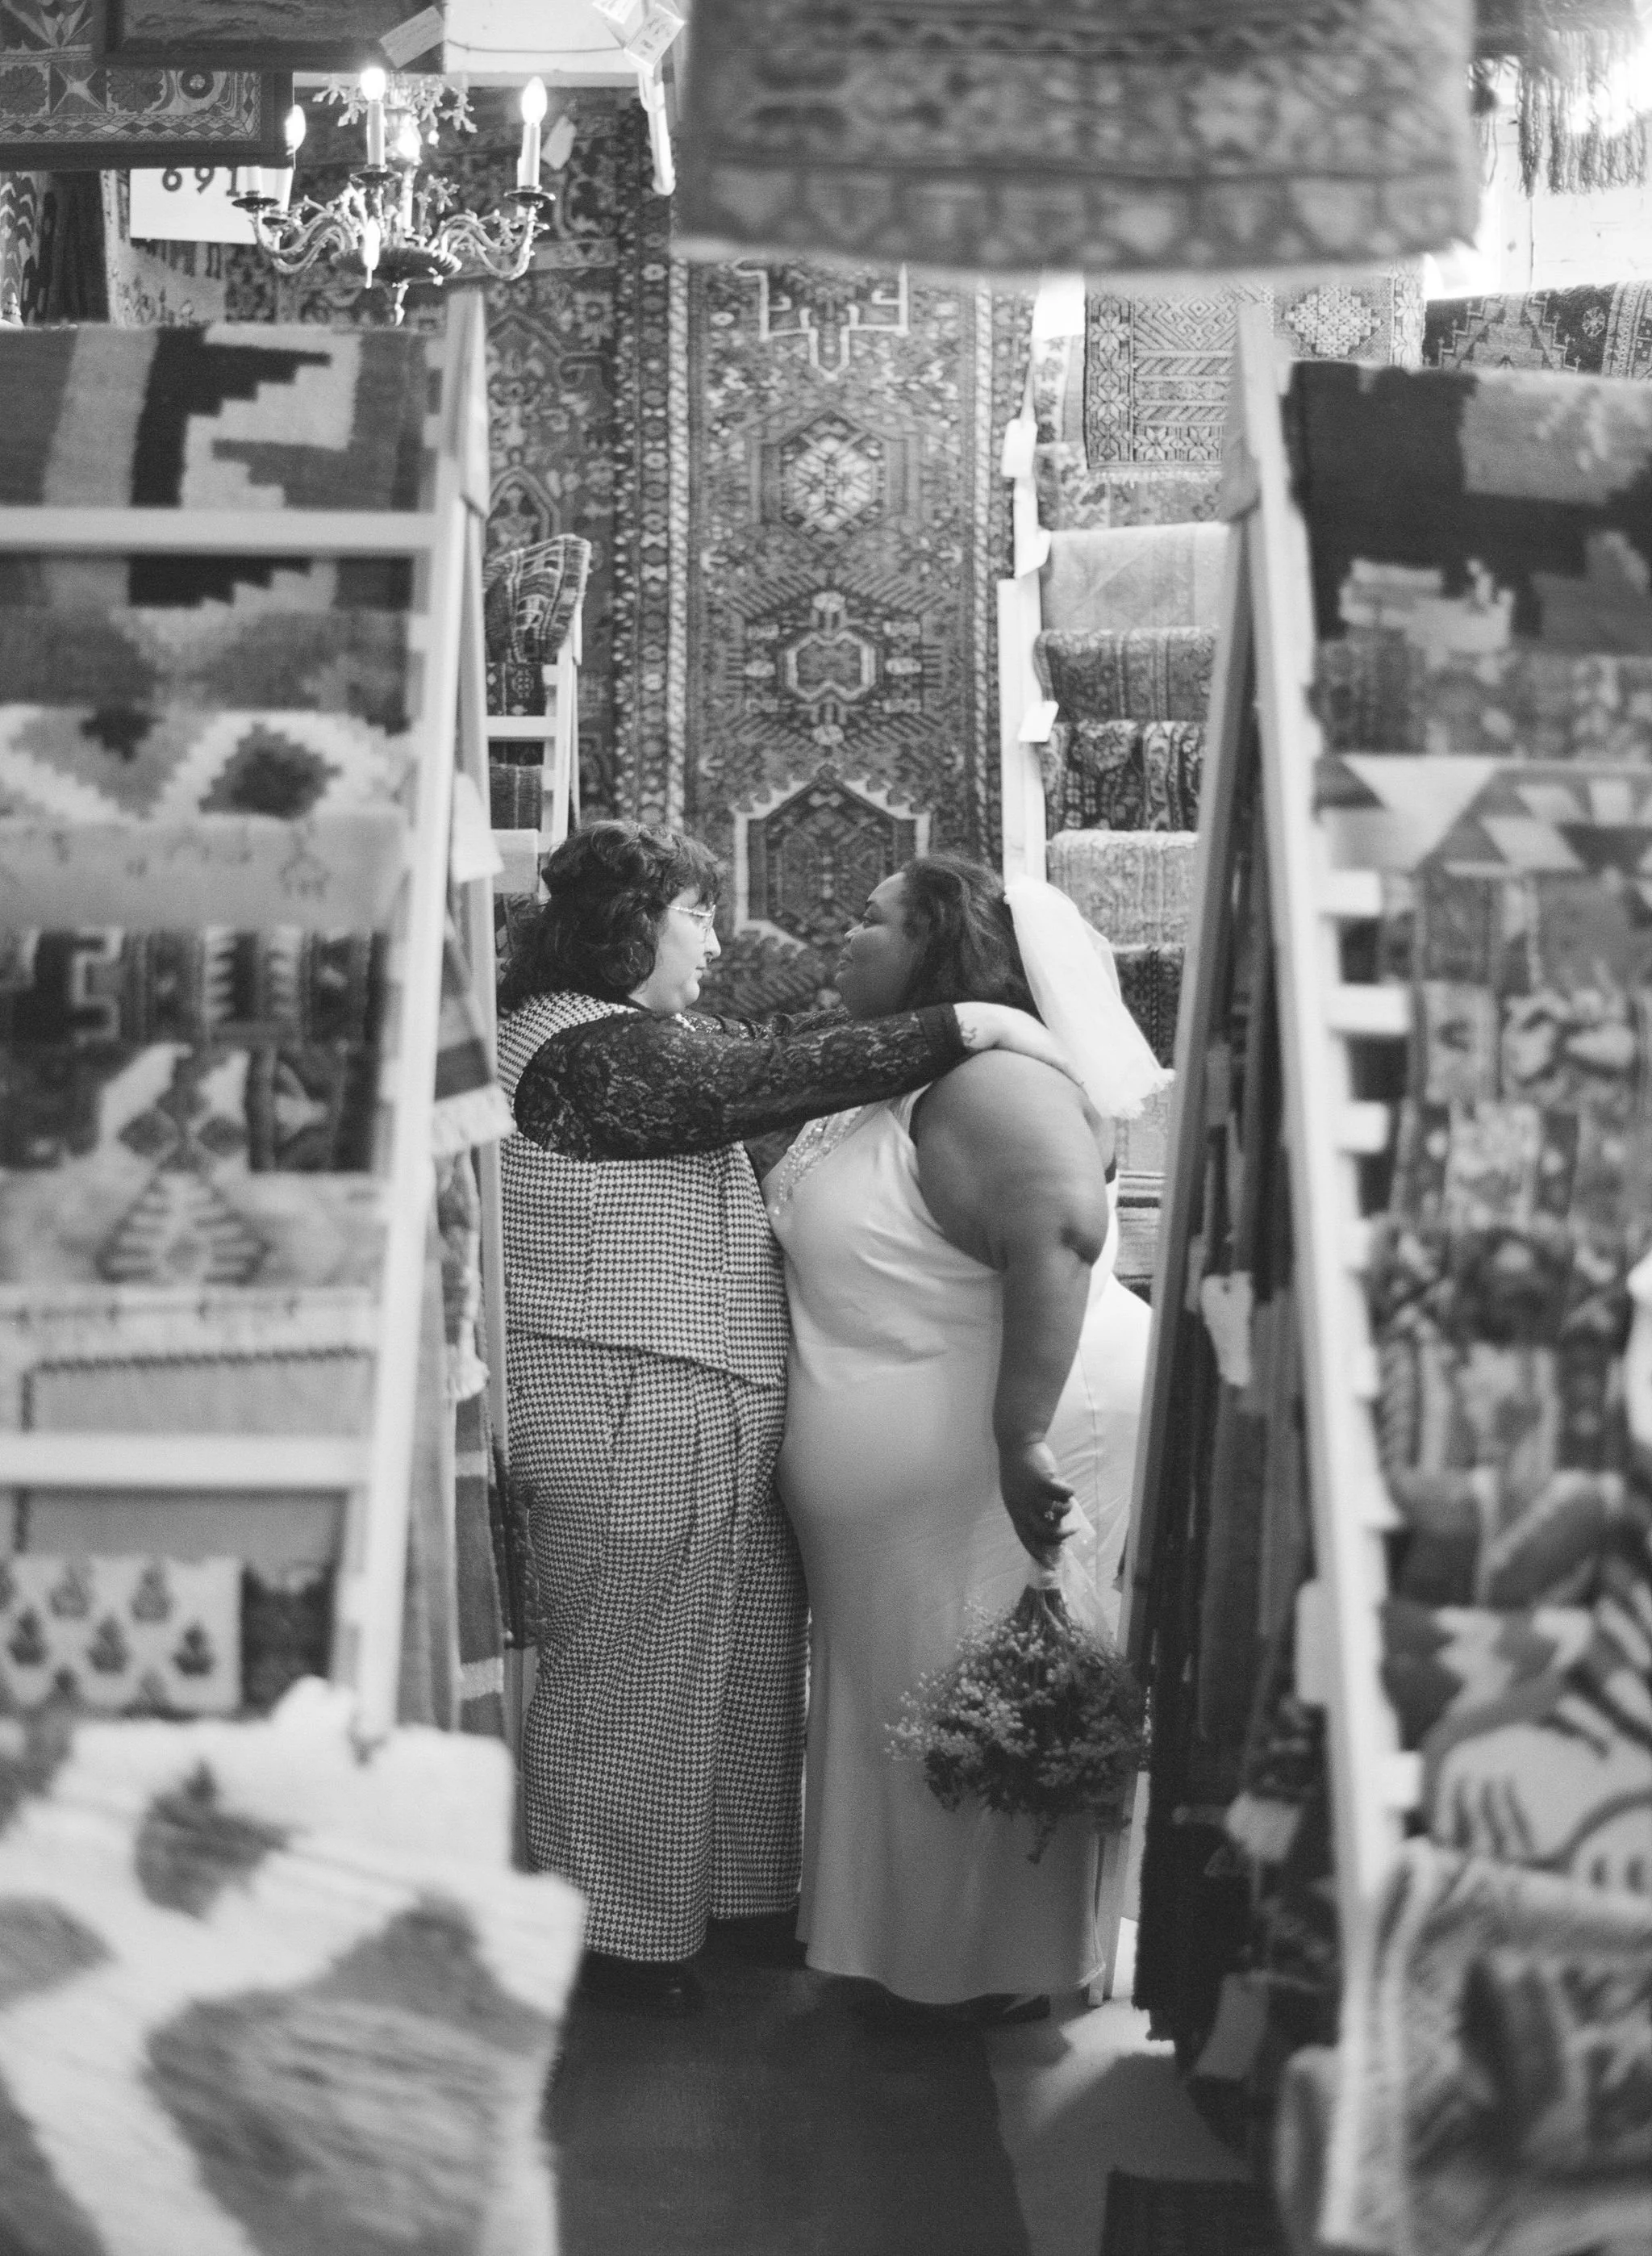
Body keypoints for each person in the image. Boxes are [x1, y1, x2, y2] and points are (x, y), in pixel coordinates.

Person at [499, 821, 1077, 2016]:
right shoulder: (569, 1046)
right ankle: (606, 1941)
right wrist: (980, 1022)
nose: (716, 937)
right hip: (623, 1395)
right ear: (629, 922)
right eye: (696, 912)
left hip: (688, 1395)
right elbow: (752, 1083)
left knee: (745, 1672)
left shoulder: (632, 1043)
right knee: (631, 1671)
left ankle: (733, 1902)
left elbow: (764, 1084)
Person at [766, 854, 1168, 2019]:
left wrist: (1018, 1435)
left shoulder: (994, 1082)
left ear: (944, 953)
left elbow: (1058, 1227)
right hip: (916, 1475)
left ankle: (990, 1966)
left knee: (976, 1687)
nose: (843, 934)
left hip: (996, 1449)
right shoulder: (904, 1082)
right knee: (916, 1695)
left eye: (875, 919)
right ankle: (924, 1954)